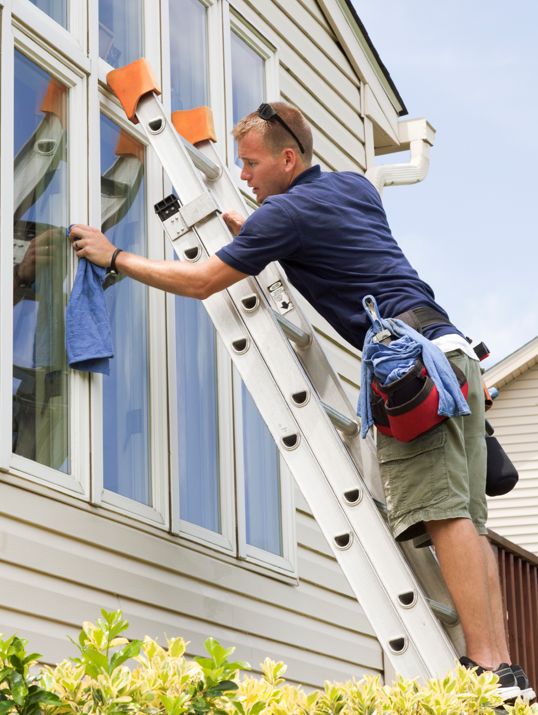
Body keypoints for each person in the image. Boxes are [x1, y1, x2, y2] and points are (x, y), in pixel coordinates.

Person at [69, 102, 532, 699]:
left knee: (443, 515)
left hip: (407, 363)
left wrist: (116, 257)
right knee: (467, 519)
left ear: (288, 159)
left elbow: (203, 281)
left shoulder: (285, 215)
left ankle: (487, 669)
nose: (243, 175)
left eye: (253, 163)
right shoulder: (352, 189)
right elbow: (335, 245)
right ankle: (505, 672)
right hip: (453, 353)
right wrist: (263, 240)